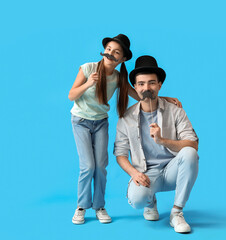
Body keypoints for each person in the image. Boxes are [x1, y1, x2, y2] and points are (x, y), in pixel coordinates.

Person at [68, 35, 181, 225]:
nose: (111, 53)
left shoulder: (118, 77)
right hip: (81, 121)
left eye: (116, 52)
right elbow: (71, 95)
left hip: (100, 122)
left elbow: (140, 95)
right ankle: (81, 207)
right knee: (87, 166)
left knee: (101, 167)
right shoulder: (87, 68)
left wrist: (166, 98)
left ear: (122, 59)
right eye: (109, 49)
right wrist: (89, 83)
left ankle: (99, 207)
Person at [113, 55, 199, 233]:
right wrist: (134, 173)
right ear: (135, 87)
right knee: (137, 200)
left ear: (159, 85)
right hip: (147, 174)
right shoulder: (125, 118)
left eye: (152, 83)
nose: (146, 88)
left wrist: (163, 141)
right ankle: (149, 201)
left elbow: (193, 144)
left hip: (173, 170)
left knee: (190, 153)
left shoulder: (176, 111)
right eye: (141, 83)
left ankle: (177, 212)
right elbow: (120, 154)